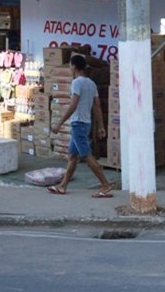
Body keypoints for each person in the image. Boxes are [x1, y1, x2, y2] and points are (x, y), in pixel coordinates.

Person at [47, 55, 114, 198]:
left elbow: (73, 104)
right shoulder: (91, 84)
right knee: (72, 155)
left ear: (74, 67)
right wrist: (101, 126)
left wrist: (59, 123)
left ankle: (105, 184)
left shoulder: (77, 82)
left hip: (78, 124)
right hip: (86, 123)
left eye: (70, 66)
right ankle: (63, 186)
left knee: (87, 156)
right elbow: (97, 106)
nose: (70, 68)